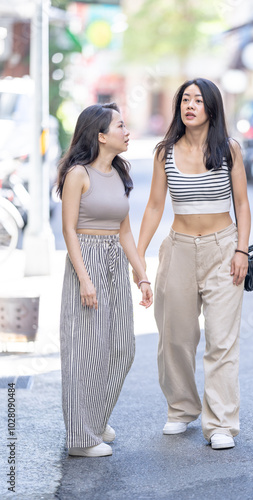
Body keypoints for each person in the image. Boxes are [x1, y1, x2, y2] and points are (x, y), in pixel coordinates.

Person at [134, 78, 251, 450]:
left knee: (221, 340)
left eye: (198, 100)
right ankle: (181, 408)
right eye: (185, 99)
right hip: (179, 249)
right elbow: (154, 206)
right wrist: (139, 256)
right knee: (175, 338)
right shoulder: (164, 151)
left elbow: (243, 205)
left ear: (211, 108)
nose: (190, 105)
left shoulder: (229, 150)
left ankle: (220, 423)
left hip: (223, 249)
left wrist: (242, 251)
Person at [57, 103, 153, 458]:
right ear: (100, 136)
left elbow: (125, 231)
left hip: (113, 258)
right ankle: (81, 439)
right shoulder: (78, 174)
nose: (127, 132)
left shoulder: (118, 173)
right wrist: (84, 279)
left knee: (121, 348)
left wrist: (142, 275)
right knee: (85, 352)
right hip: (87, 259)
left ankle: (95, 419)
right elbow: (68, 229)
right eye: (120, 126)